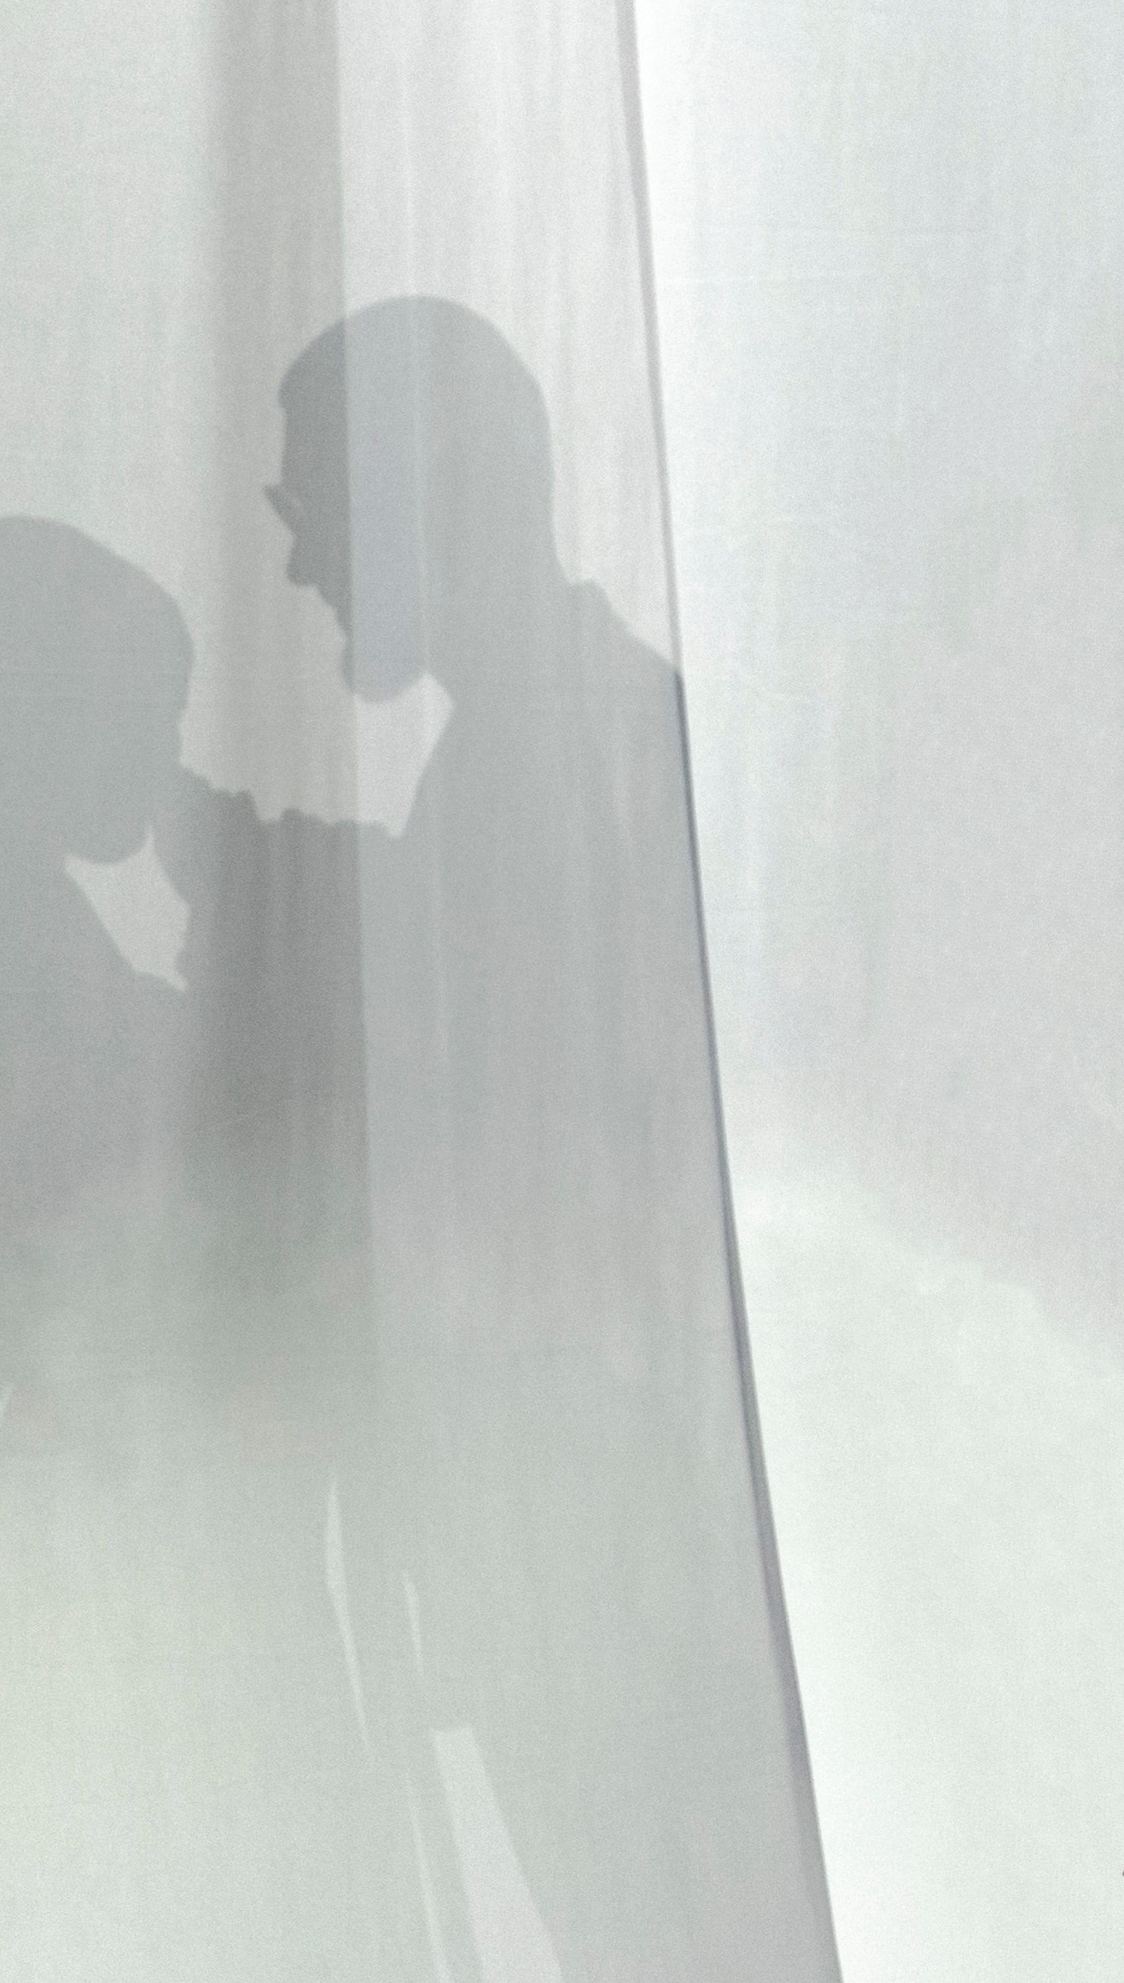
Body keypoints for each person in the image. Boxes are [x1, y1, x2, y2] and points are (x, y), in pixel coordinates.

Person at [156, 301, 842, 1983]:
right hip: (601, 1544)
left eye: (311, 506)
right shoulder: (564, 736)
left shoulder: (578, 750)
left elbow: (542, 1122)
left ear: (428, 496)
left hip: (615, 1556)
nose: (298, 563)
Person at [0, 517, 426, 1983]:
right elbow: (138, 1179)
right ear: (42, 717)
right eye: (145, 715)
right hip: (108, 1544)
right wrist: (253, 959)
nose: (163, 755)